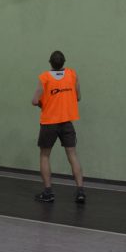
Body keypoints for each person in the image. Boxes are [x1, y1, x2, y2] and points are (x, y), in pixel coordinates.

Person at [31, 50, 85, 203]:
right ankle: (80, 192)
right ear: (64, 62)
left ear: (50, 63)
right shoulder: (72, 75)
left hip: (49, 123)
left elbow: (34, 101)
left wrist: (44, 103)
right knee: (72, 155)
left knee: (44, 155)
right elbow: (78, 97)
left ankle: (48, 192)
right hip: (67, 122)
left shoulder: (44, 78)